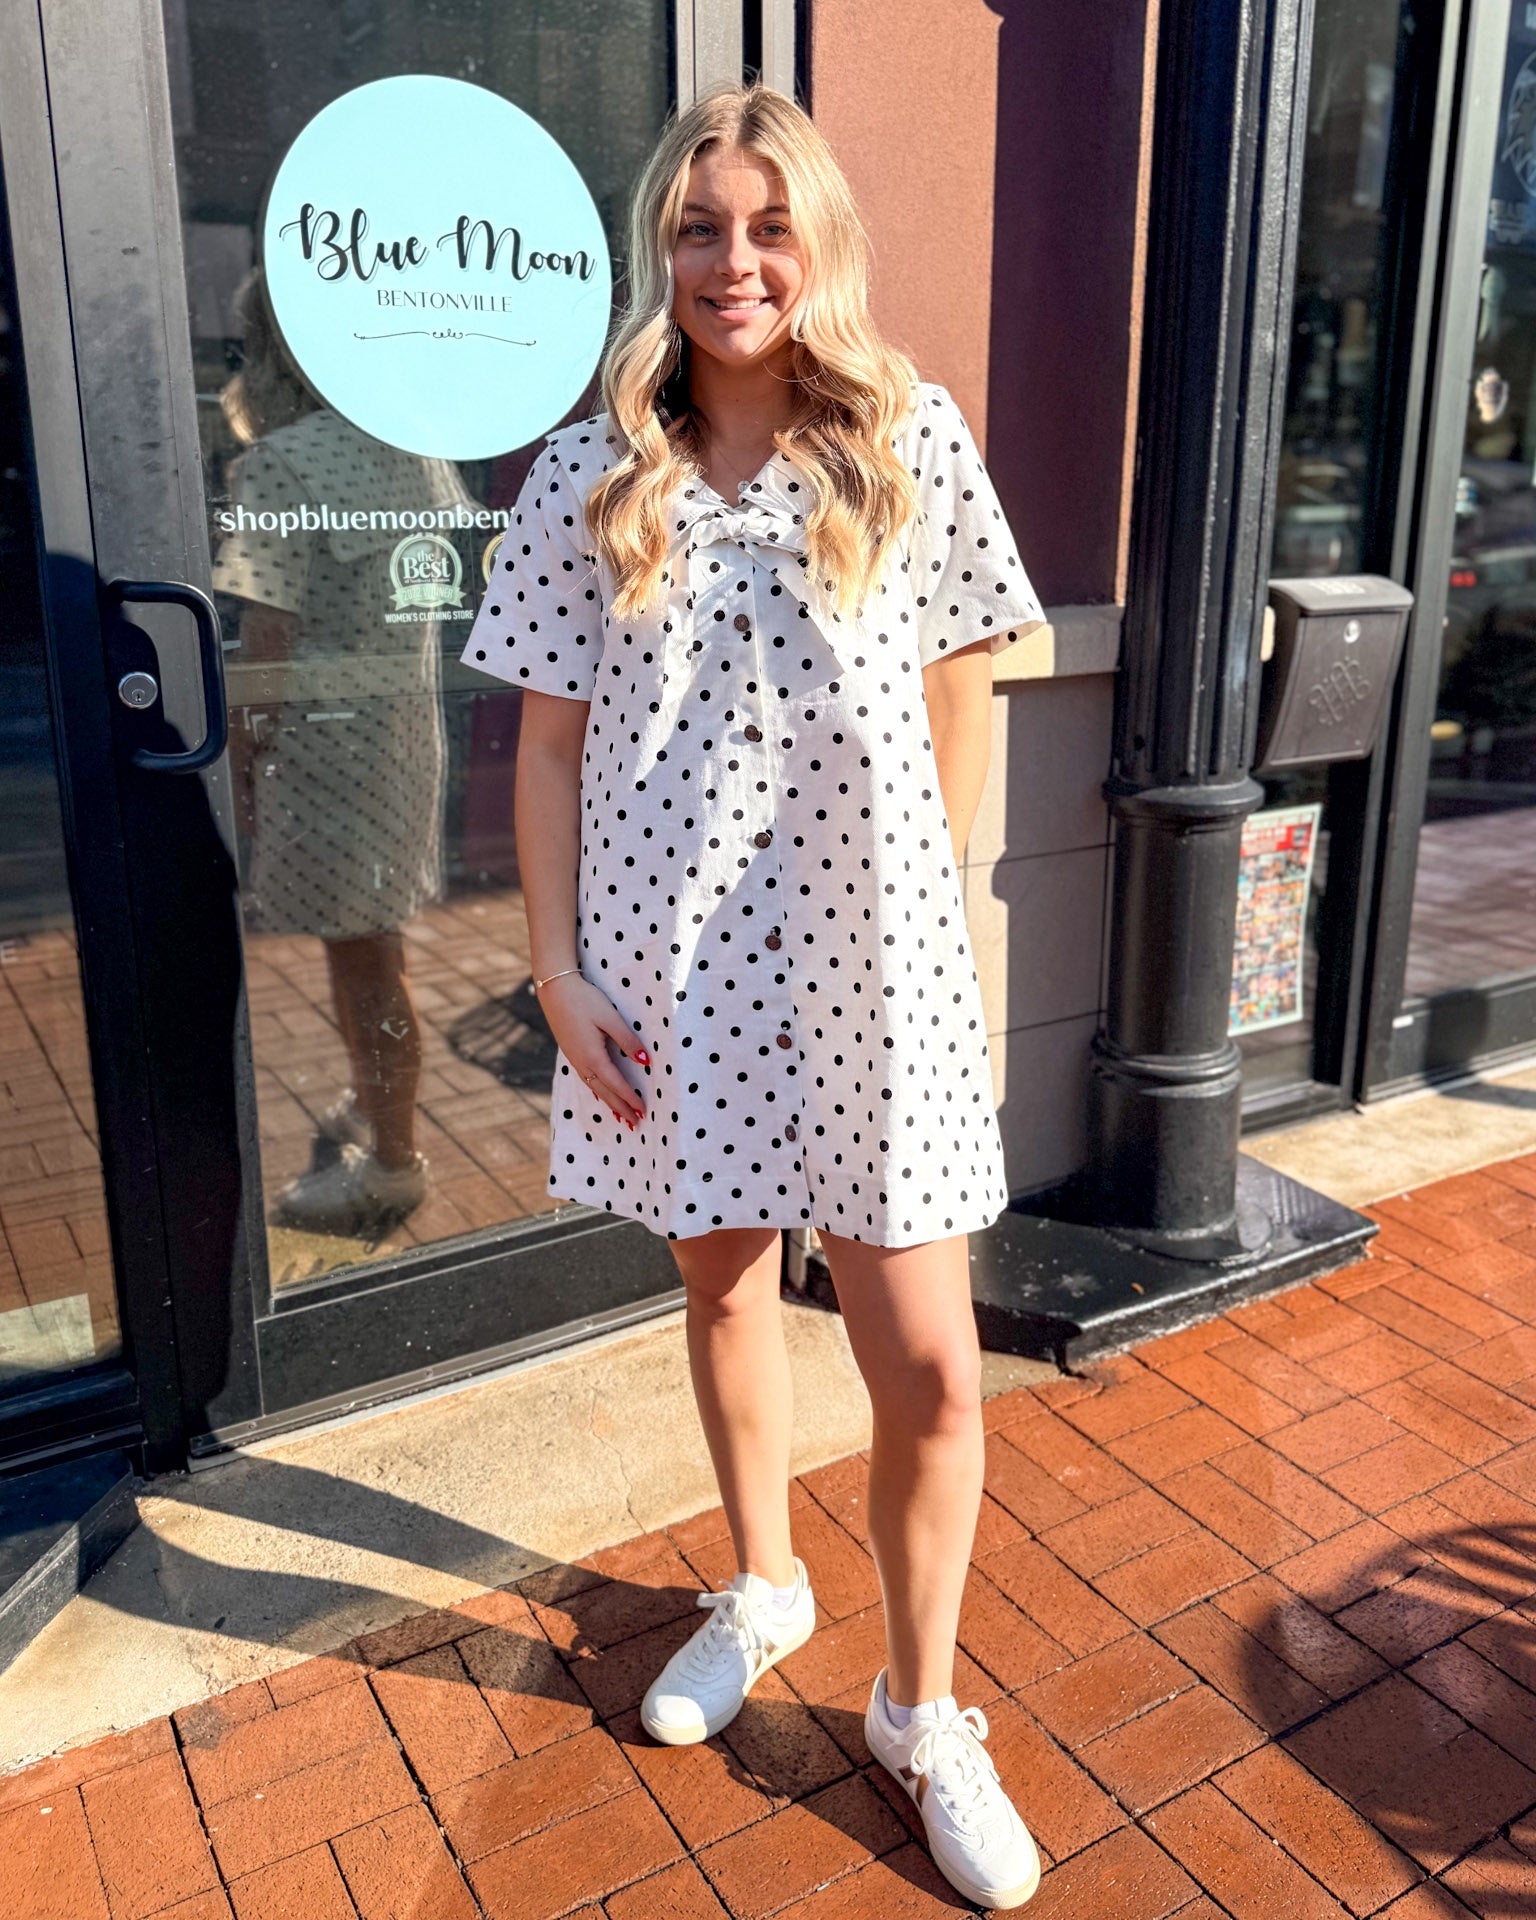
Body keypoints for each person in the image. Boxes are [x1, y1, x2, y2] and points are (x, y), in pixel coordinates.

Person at [461, 84, 1047, 1909]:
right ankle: (763, 1583)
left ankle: (919, 1709)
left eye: (769, 224)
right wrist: (555, 966)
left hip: (881, 976)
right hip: (671, 973)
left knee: (934, 1378)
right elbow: (544, 755)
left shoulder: (904, 442)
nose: (735, 261)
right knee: (724, 1295)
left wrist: (934, 924)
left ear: (822, 246)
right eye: (702, 227)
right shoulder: (589, 476)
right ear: (663, 249)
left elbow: (969, 696)